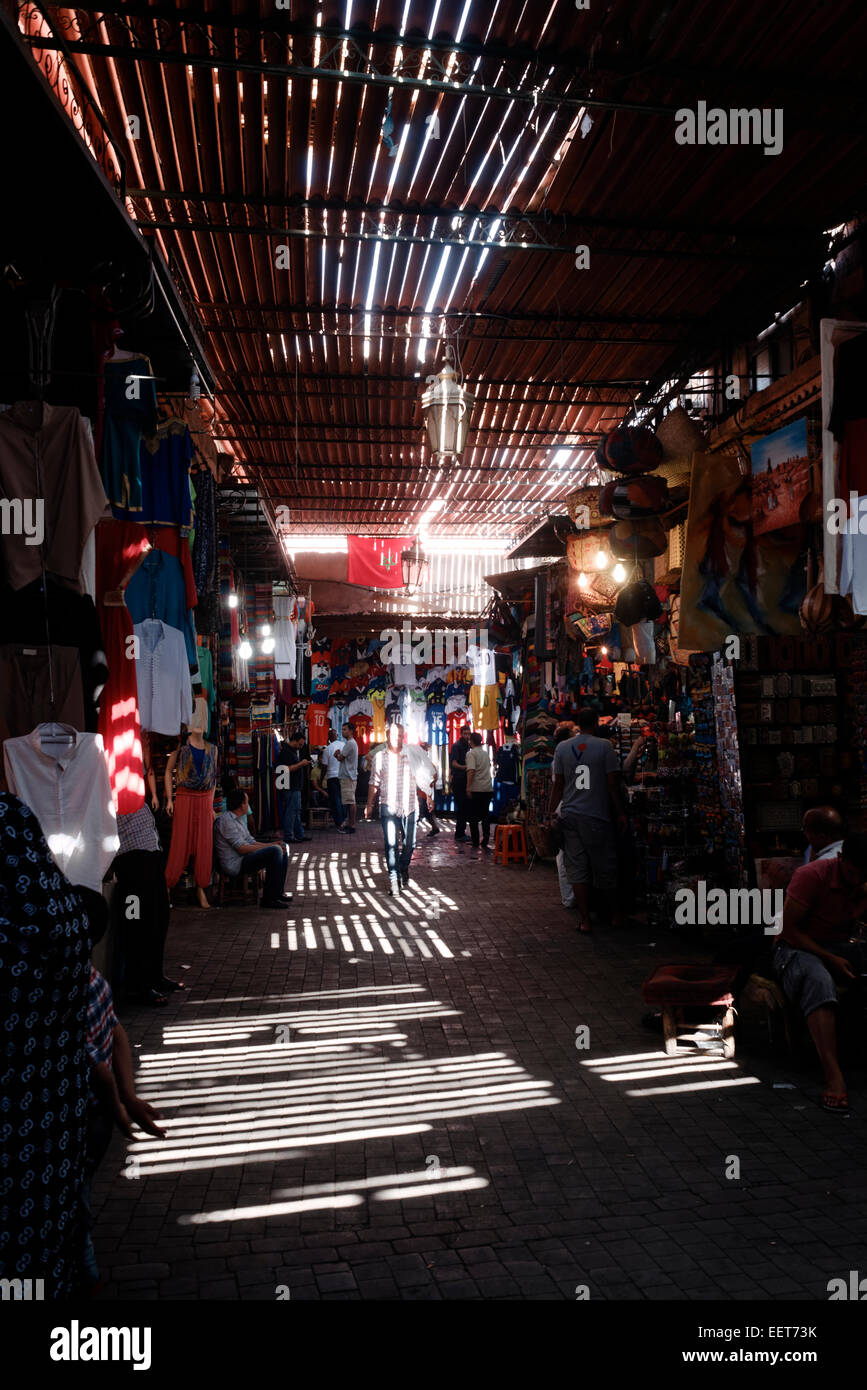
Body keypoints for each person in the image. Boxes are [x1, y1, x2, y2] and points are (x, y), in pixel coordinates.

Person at [0, 794, 91, 1299]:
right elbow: (63, 934)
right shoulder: (9, 822)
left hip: (40, 1103)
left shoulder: (9, 822)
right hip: (37, 1105)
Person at [79, 888, 166, 1290]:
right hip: (99, 1110)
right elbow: (117, 1035)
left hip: (86, 1111)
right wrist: (126, 1099)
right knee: (80, 1188)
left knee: (71, 1192)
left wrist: (119, 1105)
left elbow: (100, 1066)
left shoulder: (62, 986)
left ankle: (80, 1260)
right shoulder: (94, 981)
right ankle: (82, 1254)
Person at [774, 832, 867, 1115]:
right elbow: (789, 929)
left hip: (838, 944)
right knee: (818, 980)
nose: (856, 880)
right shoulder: (812, 875)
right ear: (840, 859)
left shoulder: (862, 881)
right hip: (794, 946)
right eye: (853, 873)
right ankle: (833, 1075)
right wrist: (830, 958)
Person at [547, 707, 627, 934]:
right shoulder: (605, 747)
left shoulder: (562, 748)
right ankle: (615, 915)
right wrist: (621, 812)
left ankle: (585, 920)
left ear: (579, 725)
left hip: (570, 816)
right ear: (595, 723)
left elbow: (558, 785)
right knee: (605, 867)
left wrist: (550, 811)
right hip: (597, 816)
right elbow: (612, 783)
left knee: (577, 869)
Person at [114, 801, 181, 1006]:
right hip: (130, 870)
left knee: (158, 920)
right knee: (135, 925)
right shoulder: (110, 799)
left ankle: (155, 976)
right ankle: (137, 987)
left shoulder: (137, 797)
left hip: (151, 863)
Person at [164, 728, 219, 909]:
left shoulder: (213, 749)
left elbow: (213, 779)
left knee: (204, 845)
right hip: (184, 797)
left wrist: (210, 805)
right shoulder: (180, 748)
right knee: (180, 842)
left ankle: (201, 888)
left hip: (204, 799)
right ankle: (168, 886)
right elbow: (168, 771)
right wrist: (170, 799)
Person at [214, 789, 294, 908]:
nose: (248, 805)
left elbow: (251, 841)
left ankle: (277, 893)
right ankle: (269, 899)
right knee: (276, 851)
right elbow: (241, 848)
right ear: (241, 805)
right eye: (247, 802)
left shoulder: (238, 819)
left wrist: (273, 844)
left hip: (244, 857)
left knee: (282, 847)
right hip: (235, 864)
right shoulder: (226, 821)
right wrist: (271, 846)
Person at [366, 723, 418, 895]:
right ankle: (394, 879)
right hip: (388, 805)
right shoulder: (379, 757)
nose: (398, 739)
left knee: (409, 844)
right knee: (391, 845)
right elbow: (374, 782)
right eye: (394, 735)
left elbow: (425, 774)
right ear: (387, 736)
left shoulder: (412, 755)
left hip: (410, 805)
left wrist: (430, 794)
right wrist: (369, 804)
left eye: (400, 735)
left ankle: (403, 867)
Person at [276, 728, 312, 843]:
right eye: (300, 744)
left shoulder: (292, 751)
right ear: (295, 741)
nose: (301, 747)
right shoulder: (286, 751)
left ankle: (299, 834)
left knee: (296, 811)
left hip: (294, 786)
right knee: (292, 811)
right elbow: (285, 769)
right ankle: (289, 835)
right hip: (290, 786)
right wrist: (301, 764)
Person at [465, 732, 493, 849]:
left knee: (473, 816)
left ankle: (475, 841)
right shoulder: (485, 754)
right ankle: (485, 839)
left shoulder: (471, 754)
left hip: (476, 788)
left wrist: (468, 787)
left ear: (471, 741)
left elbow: (471, 770)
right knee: (485, 814)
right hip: (487, 788)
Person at [413, 740, 441, 834]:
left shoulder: (425, 762)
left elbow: (435, 776)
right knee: (425, 810)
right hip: (423, 789)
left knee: (422, 809)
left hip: (424, 790)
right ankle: (435, 827)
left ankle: (412, 828)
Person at [449, 725, 472, 842]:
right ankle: (459, 834)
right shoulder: (456, 746)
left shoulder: (468, 746)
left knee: (464, 808)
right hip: (458, 780)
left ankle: (461, 832)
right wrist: (466, 767)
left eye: (469, 734)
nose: (467, 736)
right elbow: (453, 763)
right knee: (462, 807)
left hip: (465, 780)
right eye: (465, 734)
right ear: (461, 734)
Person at [336, 723, 359, 833]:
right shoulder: (350, 743)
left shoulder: (350, 743)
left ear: (350, 731)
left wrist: (336, 754)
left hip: (348, 776)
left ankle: (352, 825)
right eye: (342, 729)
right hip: (349, 775)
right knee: (349, 801)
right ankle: (350, 824)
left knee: (350, 802)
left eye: (345, 729)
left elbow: (340, 757)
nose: (343, 731)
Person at [320, 734, 346, 829]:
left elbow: (324, 766)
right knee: (343, 799)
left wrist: (322, 778)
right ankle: (344, 819)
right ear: (337, 736)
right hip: (343, 776)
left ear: (329, 738)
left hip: (332, 777)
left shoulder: (327, 749)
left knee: (336, 800)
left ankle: (339, 822)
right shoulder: (344, 745)